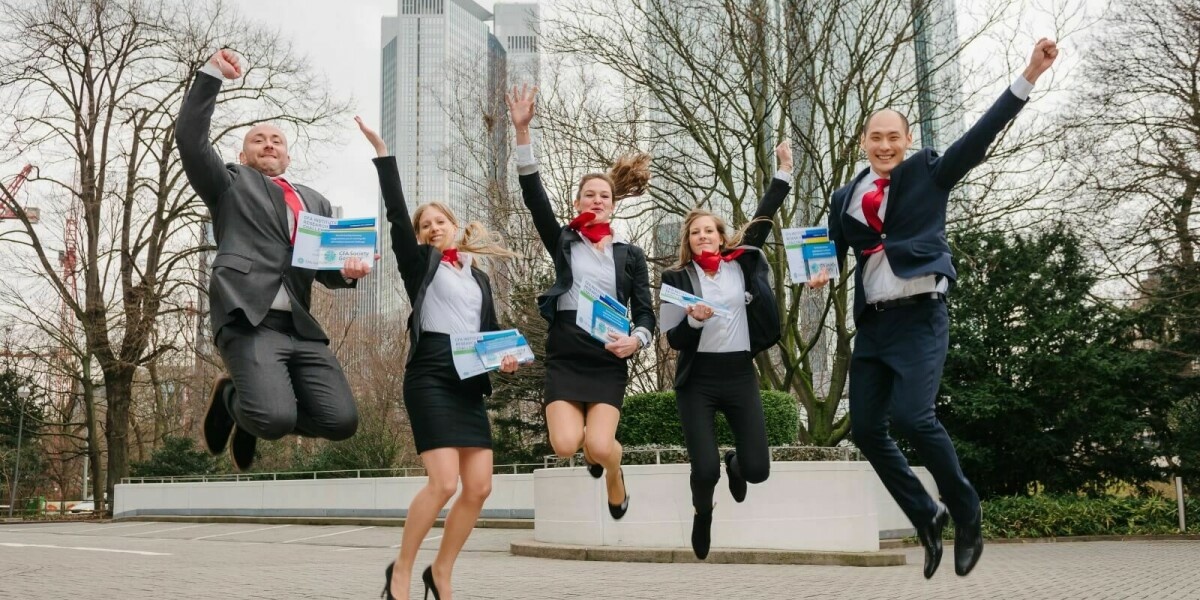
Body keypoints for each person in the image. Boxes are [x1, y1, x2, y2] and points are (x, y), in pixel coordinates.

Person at [809, 39, 1059, 578]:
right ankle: (927, 514)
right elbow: (826, 250)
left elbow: (977, 139)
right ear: (863, 142)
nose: (884, 145)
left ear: (907, 141)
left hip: (922, 315)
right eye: (875, 138)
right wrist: (816, 273)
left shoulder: (927, 171)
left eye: (893, 137)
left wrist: (1027, 77)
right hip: (873, 325)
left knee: (913, 417)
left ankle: (967, 512)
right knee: (867, 430)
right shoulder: (843, 196)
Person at [176, 49, 370, 471]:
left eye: (277, 140)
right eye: (257, 140)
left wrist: (347, 271)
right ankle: (239, 403)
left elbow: (325, 268)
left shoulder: (314, 200)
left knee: (341, 421)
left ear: (288, 157)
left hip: (300, 327)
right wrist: (210, 75)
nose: (268, 144)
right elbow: (190, 140)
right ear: (243, 156)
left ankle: (242, 402)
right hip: (249, 319)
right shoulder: (229, 184)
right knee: (274, 418)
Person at [356, 118, 520, 600]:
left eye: (438, 222)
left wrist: (505, 360)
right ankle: (402, 569)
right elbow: (395, 212)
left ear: (454, 225)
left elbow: (490, 337)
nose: (431, 228)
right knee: (444, 482)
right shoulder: (419, 265)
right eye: (425, 225)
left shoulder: (480, 278)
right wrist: (384, 154)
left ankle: (441, 571)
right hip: (429, 373)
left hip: (469, 379)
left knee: (480, 488)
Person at [505, 84, 655, 519]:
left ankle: (614, 473)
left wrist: (638, 340)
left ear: (612, 205)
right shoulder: (564, 243)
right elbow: (535, 200)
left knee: (600, 446)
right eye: (589, 195)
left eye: (603, 196)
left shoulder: (630, 255)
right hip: (566, 354)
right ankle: (599, 459)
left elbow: (645, 311)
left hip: (608, 354)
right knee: (566, 445)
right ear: (578, 202)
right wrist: (522, 132)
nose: (596, 200)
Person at [660, 142, 793, 559]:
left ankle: (736, 462)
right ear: (689, 241)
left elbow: (764, 215)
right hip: (697, 381)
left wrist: (784, 172)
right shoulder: (676, 278)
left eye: (709, 230)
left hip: (738, 375)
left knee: (758, 470)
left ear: (721, 236)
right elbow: (674, 339)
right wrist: (694, 319)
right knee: (703, 469)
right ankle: (703, 512)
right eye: (695, 232)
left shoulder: (742, 262)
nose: (703, 236)